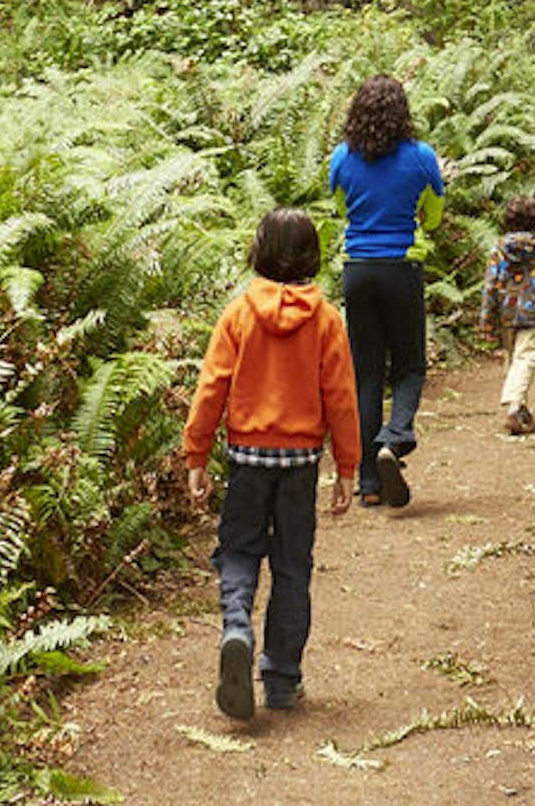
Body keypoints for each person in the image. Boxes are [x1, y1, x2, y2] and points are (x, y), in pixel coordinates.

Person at [179, 207, 362, 721]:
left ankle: (237, 626)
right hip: (300, 464)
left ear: (258, 252)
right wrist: (347, 467)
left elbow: (211, 387)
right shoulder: (326, 320)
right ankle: (281, 680)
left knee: (238, 551)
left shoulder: (238, 314)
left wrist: (197, 455)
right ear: (313, 257)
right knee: (291, 567)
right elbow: (342, 398)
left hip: (246, 460)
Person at [325, 73, 444, 508]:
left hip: (357, 270)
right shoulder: (422, 157)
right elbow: (432, 217)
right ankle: (394, 439)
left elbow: (341, 209)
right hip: (402, 269)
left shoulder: (341, 157)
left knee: (366, 374)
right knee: (410, 366)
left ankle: (369, 484)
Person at [481, 194, 535, 435]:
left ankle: (520, 407)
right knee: (526, 357)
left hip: (506, 310)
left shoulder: (498, 248)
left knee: (514, 357)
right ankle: (515, 406)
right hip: (534, 310)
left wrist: (487, 317)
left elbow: (490, 284)